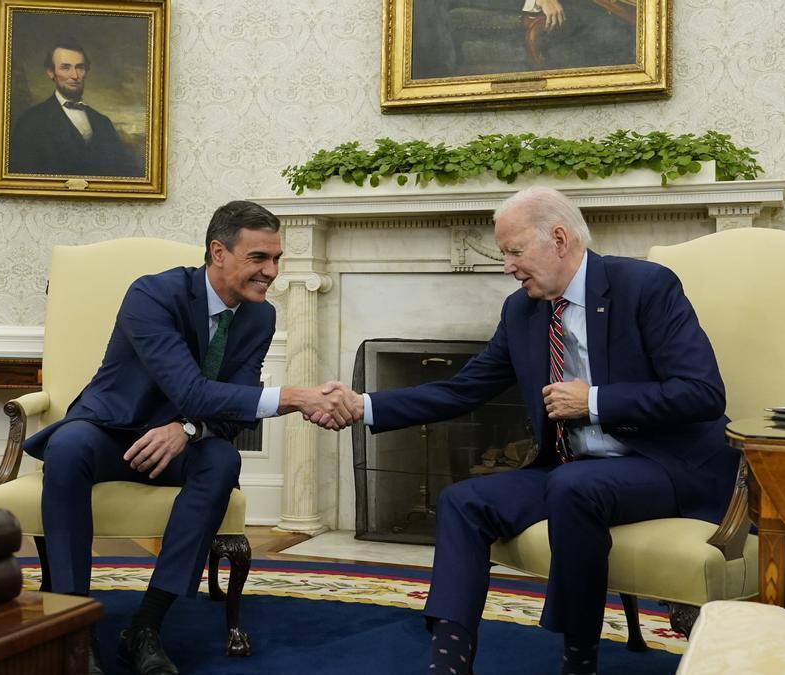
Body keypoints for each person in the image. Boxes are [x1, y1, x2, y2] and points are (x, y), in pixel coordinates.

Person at [313, 187, 737, 674]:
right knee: (463, 501)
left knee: (574, 485)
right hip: (576, 472)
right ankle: (449, 661)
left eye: (515, 251)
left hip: (667, 465)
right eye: (504, 254)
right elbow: (464, 389)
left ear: (559, 239)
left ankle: (579, 658)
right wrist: (362, 404)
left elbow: (703, 393)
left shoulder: (645, 287)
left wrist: (593, 401)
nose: (508, 266)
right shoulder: (523, 310)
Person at [23, 200, 356, 675]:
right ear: (218, 252)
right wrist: (296, 397)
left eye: (277, 259)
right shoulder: (152, 295)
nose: (272, 272)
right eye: (259, 258)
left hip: (182, 441)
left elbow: (232, 400)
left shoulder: (259, 317)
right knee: (68, 445)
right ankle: (75, 628)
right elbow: (190, 389)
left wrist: (186, 429)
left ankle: (145, 627)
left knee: (221, 460)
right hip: (111, 430)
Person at [9, 39, 142, 177]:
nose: (75, 75)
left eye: (80, 67)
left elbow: (122, 173)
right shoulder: (30, 122)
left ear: (86, 71)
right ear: (51, 72)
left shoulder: (103, 123)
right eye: (65, 67)